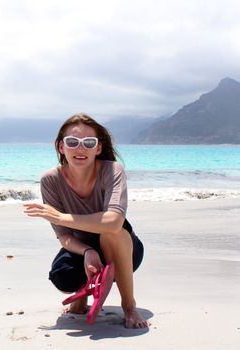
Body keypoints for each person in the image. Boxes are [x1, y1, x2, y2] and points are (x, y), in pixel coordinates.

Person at [23, 113, 149, 329]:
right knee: (62, 277)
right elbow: (64, 235)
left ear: (97, 148)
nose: (80, 149)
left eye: (88, 143)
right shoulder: (50, 180)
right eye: (72, 142)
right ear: (61, 147)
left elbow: (114, 222)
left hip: (123, 250)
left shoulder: (112, 170)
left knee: (110, 233)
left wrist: (60, 216)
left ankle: (129, 306)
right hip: (83, 245)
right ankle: (86, 291)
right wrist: (87, 252)